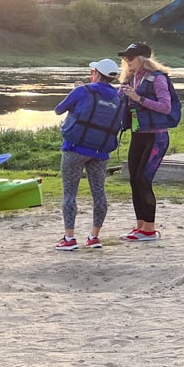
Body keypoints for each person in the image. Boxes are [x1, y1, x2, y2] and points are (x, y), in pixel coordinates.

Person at [53, 58, 126, 250]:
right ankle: (94, 237)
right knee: (99, 193)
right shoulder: (119, 98)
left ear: (96, 74)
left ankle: (69, 239)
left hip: (74, 148)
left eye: (92, 70)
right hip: (100, 152)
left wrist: (76, 90)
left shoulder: (82, 90)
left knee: (70, 193)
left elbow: (58, 110)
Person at [118, 41, 176, 241]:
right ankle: (140, 226)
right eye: (125, 58)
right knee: (134, 179)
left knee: (144, 179)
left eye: (130, 57)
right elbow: (119, 101)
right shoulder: (130, 79)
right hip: (138, 134)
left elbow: (166, 107)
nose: (127, 61)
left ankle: (150, 230)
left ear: (142, 58)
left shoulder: (158, 79)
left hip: (156, 136)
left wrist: (139, 98)